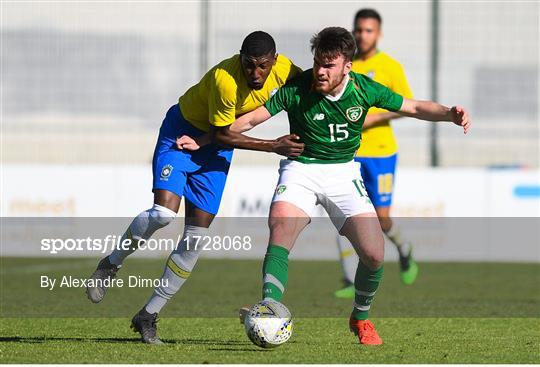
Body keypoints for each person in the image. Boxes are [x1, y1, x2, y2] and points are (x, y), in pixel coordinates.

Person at [183, 26, 469, 345]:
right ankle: (269, 306)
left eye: (328, 65)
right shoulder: (297, 88)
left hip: (344, 175)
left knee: (375, 255)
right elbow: (248, 120)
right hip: (300, 171)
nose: (319, 71)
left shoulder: (364, 90)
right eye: (318, 62)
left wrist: (449, 114)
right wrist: (207, 138)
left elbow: (413, 107)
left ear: (347, 66)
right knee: (280, 227)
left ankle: (360, 318)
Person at [85, 31, 303, 344]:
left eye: (262, 66)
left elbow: (308, 87)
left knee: (195, 239)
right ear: (240, 57)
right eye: (249, 65)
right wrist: (273, 146)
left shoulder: (285, 69)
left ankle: (147, 316)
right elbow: (224, 133)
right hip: (182, 135)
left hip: (214, 150)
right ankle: (110, 264)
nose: (255, 73)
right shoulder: (225, 80)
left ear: (274, 61)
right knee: (162, 214)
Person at [335, 8, 418, 299]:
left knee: (381, 220)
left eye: (368, 30)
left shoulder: (390, 67)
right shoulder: (344, 65)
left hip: (381, 153)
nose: (362, 35)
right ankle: (348, 279)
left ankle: (404, 250)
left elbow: (405, 107)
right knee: (343, 214)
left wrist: (373, 117)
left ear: (378, 34)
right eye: (358, 29)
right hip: (348, 151)